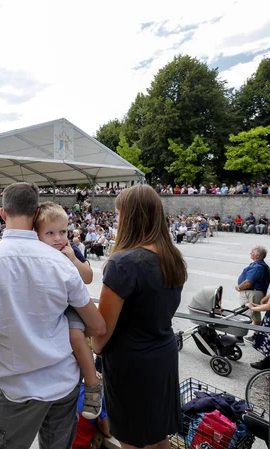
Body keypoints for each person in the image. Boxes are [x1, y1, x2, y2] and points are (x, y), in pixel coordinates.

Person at [0, 182, 105, 449]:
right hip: (63, 384)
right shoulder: (61, 262)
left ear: (3, 213)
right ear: (36, 211)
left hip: (17, 389)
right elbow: (97, 326)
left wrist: (11, 325)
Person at [92, 185, 187, 449]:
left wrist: (96, 349)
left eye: (118, 214)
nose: (116, 220)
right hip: (163, 354)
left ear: (130, 217)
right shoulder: (172, 257)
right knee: (158, 437)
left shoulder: (123, 263)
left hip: (131, 363)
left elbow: (101, 332)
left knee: (131, 439)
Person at [34, 202, 100, 419]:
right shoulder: (36, 252)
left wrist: (72, 259)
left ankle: (92, 385)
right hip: (50, 306)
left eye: (62, 231)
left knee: (74, 336)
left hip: (73, 306)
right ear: (37, 234)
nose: (58, 238)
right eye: (50, 233)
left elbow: (88, 277)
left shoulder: (70, 249)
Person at [235, 246, 270, 345]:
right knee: (255, 315)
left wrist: (239, 287)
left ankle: (239, 337)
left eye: (251, 252)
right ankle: (256, 335)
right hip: (255, 292)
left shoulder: (257, 267)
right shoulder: (259, 265)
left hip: (251, 292)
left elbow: (248, 282)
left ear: (257, 255)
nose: (250, 253)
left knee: (245, 314)